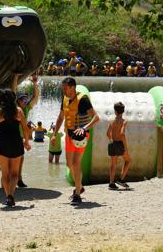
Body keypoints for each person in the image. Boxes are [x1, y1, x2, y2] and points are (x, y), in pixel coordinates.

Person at [51, 77, 99, 205]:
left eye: (65, 88)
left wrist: (84, 128)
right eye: (63, 88)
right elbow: (61, 117)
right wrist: (54, 134)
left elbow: (96, 118)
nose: (64, 91)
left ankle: (77, 193)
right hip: (69, 135)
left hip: (81, 137)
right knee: (69, 164)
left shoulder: (83, 99)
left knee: (76, 163)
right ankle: (80, 186)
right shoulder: (65, 99)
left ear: (73, 87)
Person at [0, 89, 31, 206]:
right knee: (15, 173)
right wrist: (26, 142)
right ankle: (11, 195)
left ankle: (8, 197)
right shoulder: (19, 111)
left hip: (3, 143)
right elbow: (26, 129)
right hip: (16, 142)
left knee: (5, 173)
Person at [11, 73, 39, 187]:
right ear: (18, 100)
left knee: (20, 158)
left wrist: (35, 83)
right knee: (14, 158)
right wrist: (16, 77)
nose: (26, 101)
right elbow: (13, 92)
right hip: (12, 136)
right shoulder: (14, 108)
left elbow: (35, 98)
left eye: (26, 99)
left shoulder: (26, 109)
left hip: (21, 137)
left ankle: (19, 178)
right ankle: (13, 179)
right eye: (23, 99)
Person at [107, 102, 131, 189]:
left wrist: (111, 141)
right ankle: (121, 179)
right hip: (120, 144)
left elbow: (108, 133)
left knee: (113, 164)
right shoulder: (124, 122)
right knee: (128, 161)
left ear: (115, 111)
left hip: (113, 143)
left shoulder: (112, 121)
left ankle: (111, 183)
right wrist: (125, 147)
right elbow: (122, 134)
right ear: (123, 111)